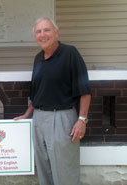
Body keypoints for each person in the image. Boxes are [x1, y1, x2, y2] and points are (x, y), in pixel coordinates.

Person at [14, 17, 91, 185]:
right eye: (38, 31)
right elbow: (37, 94)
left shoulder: (70, 53)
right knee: (44, 169)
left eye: (47, 30)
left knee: (65, 171)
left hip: (62, 118)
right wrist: (27, 114)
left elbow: (84, 90)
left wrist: (82, 120)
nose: (43, 35)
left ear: (56, 32)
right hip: (39, 119)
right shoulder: (38, 59)